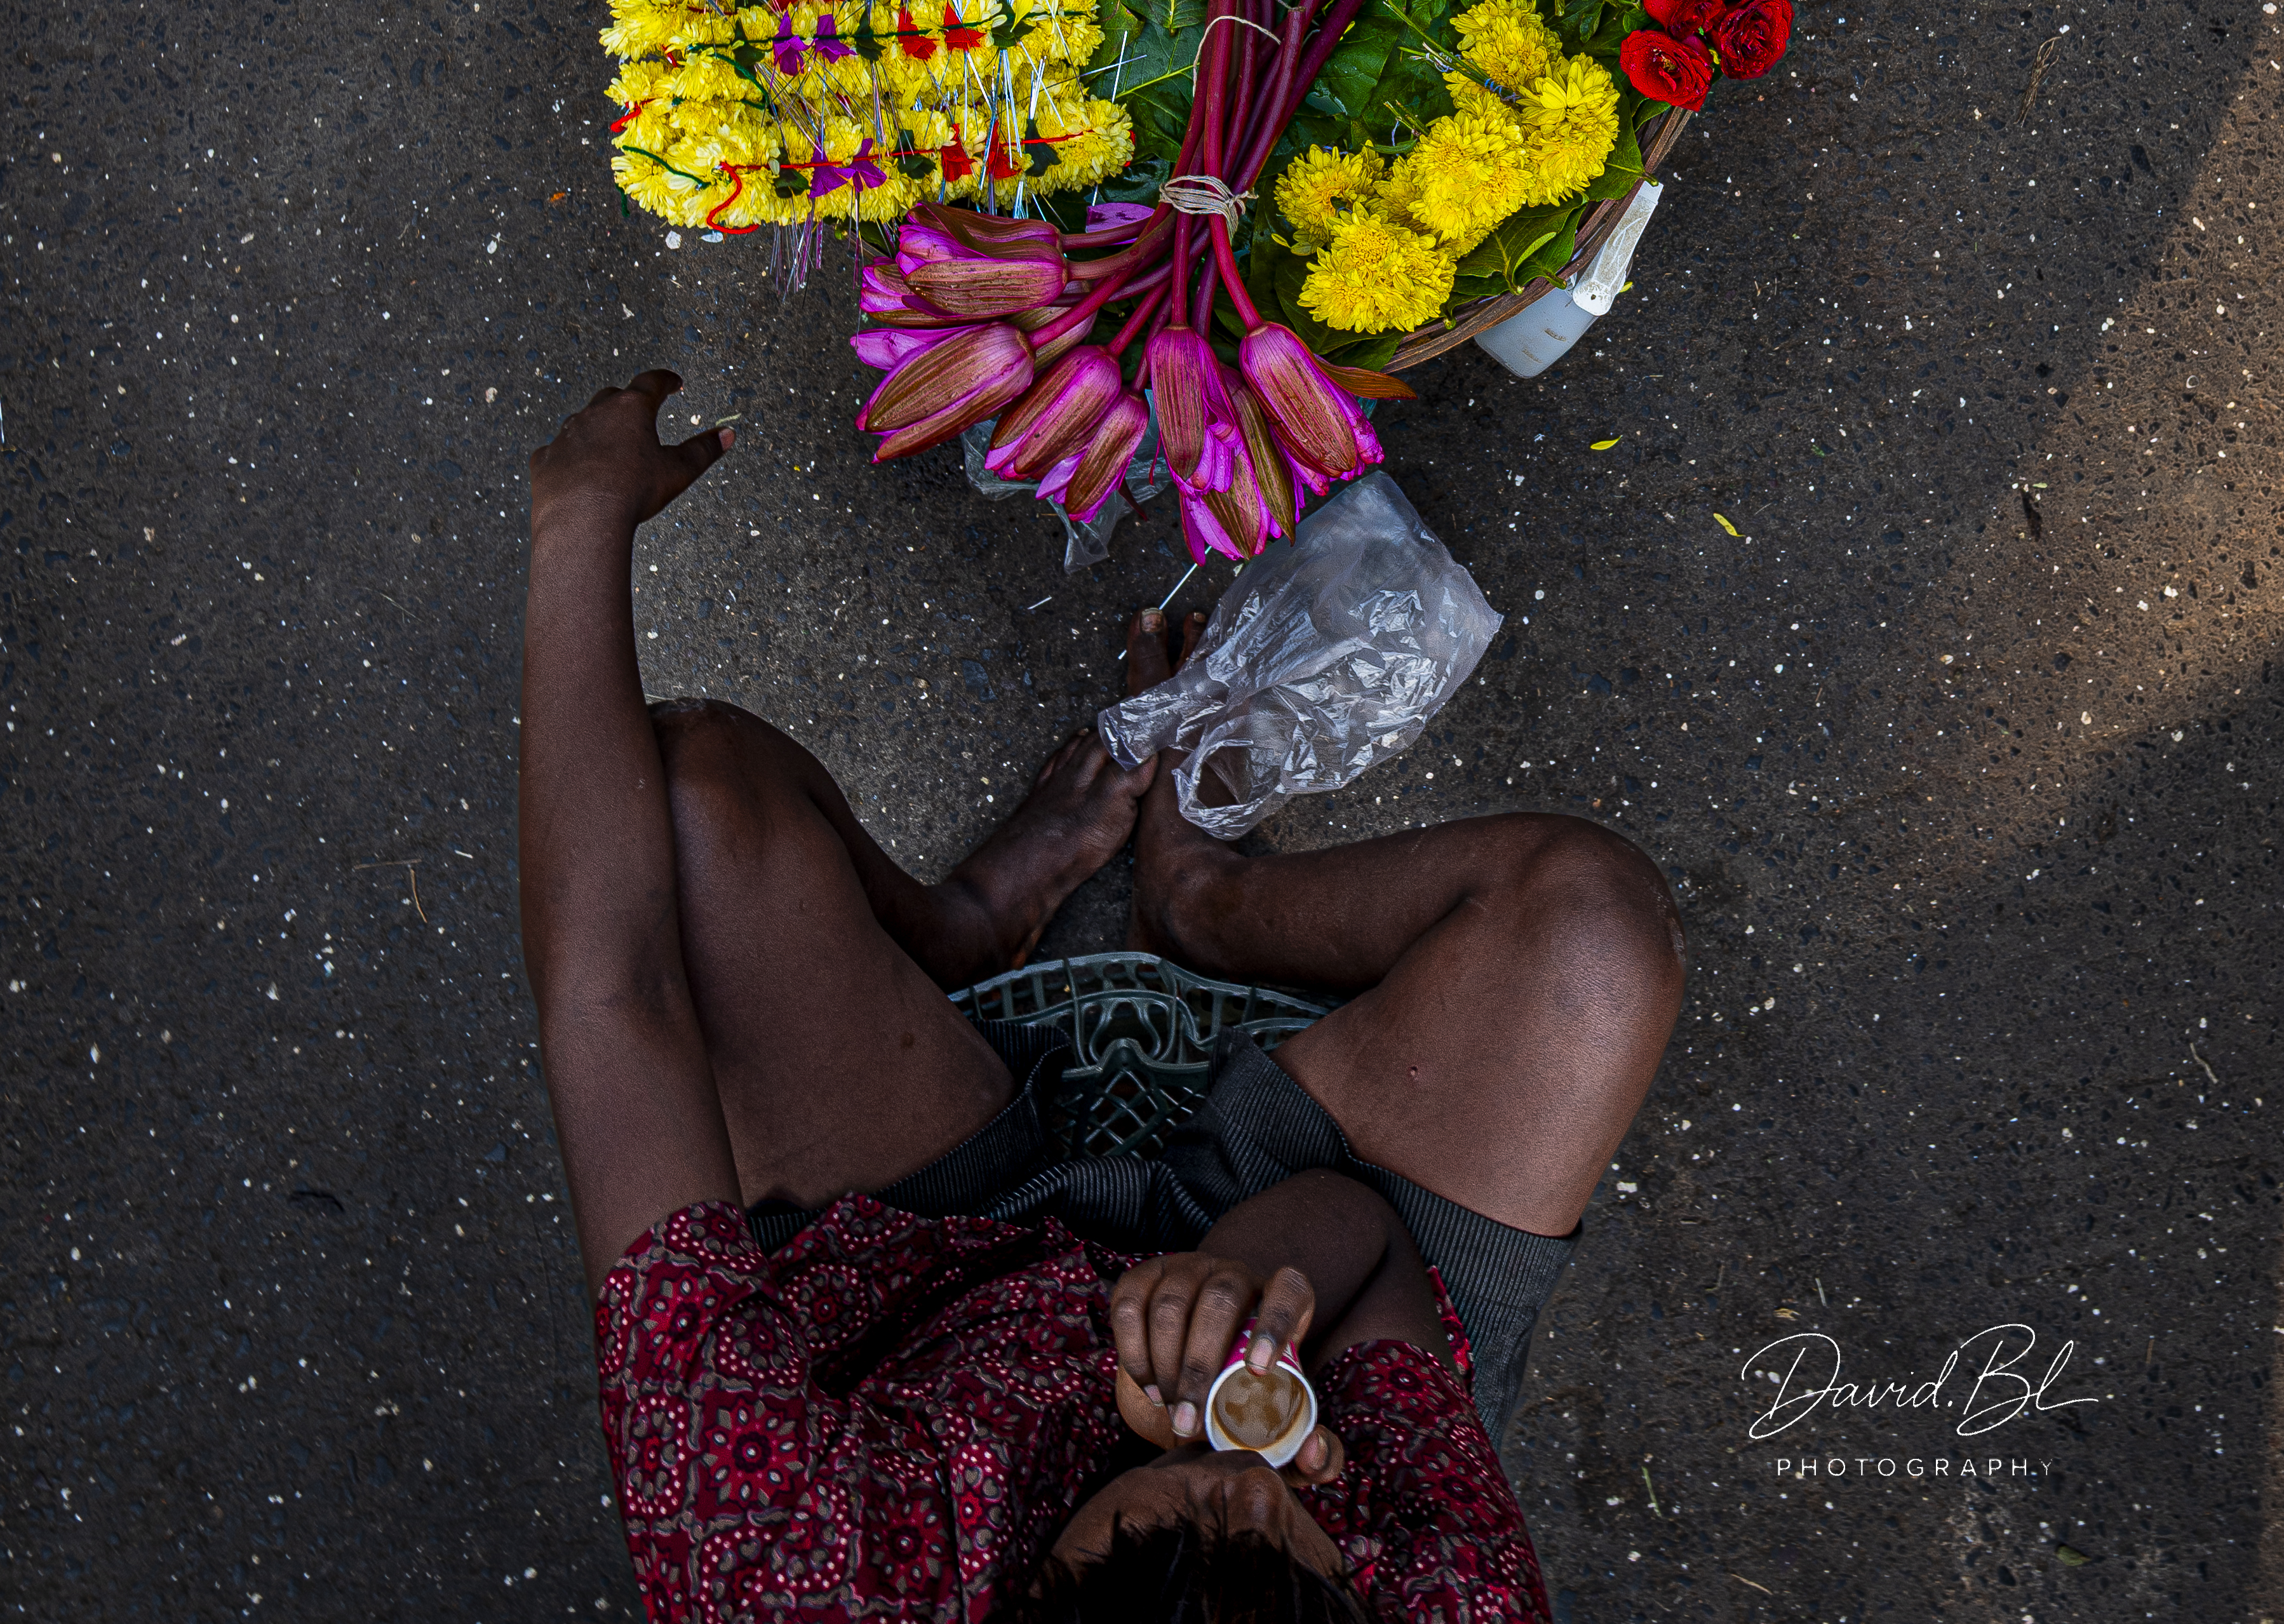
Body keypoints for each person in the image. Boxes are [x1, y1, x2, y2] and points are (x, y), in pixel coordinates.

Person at [521, 373, 1686, 1618]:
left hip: (922, 1271)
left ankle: (961, 935)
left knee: (694, 810)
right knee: (1591, 947)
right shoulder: (1445, 1606)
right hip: (1319, 1319)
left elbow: (610, 997)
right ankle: (1201, 907)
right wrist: (1242, 1297)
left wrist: (578, 521)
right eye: (1287, 1532)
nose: (1234, 1472)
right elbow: (1360, 1236)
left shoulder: (783, 1557)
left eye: (1175, 1507)